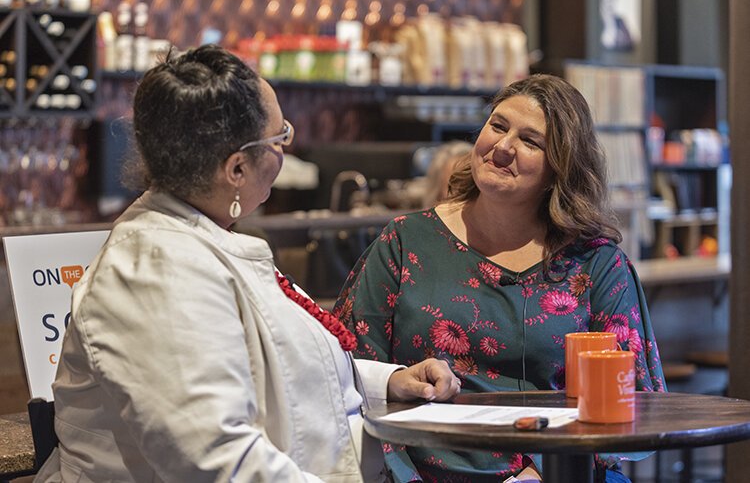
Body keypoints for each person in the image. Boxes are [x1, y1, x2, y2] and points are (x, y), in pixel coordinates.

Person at [34, 45, 461, 483]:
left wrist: (387, 383)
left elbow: (274, 365)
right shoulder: (152, 270)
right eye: (280, 139)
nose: (285, 150)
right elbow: (216, 460)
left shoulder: (202, 233)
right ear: (237, 168)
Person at [333, 74, 665, 482]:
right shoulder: (403, 242)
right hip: (414, 471)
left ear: (560, 167)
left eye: (531, 141)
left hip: (558, 473)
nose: (503, 148)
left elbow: (633, 405)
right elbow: (346, 375)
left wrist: (542, 473)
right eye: (498, 125)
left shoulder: (596, 265)